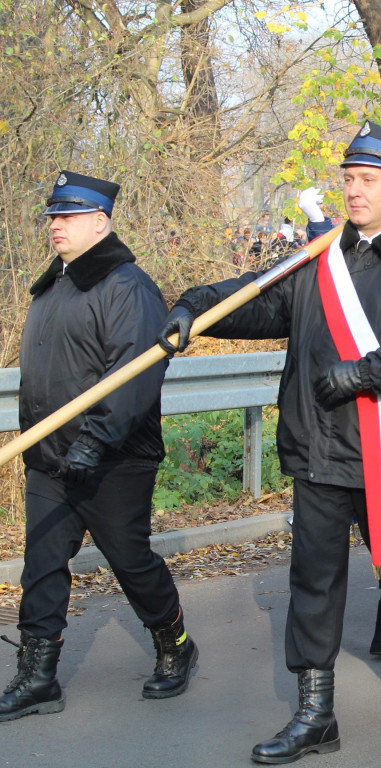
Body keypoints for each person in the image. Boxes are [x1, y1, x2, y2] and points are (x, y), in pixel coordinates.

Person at [158, 122, 381, 764]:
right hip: (317, 451)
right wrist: (196, 306)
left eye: (368, 181)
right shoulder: (320, 260)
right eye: (349, 179)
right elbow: (259, 300)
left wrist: (363, 373)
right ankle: (314, 712)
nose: (354, 192)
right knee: (314, 580)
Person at [1, 171, 198, 724]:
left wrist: (94, 441)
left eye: (67, 217)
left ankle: (175, 644)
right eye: (52, 218)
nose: (55, 227)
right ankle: (39, 676)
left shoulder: (126, 284)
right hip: (50, 457)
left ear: (99, 222)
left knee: (129, 561)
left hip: (114, 457)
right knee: (42, 564)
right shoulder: (53, 286)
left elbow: (135, 374)